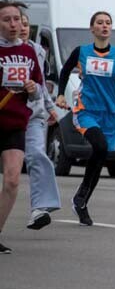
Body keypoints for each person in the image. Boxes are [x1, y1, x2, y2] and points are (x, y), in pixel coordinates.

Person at [55, 10, 115, 226]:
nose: (104, 26)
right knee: (99, 147)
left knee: (100, 157)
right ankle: (81, 196)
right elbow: (64, 72)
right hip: (86, 111)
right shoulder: (81, 52)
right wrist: (61, 94)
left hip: (110, 114)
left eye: (108, 23)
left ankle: (81, 202)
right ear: (92, 28)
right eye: (100, 23)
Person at [0, 0, 44, 253]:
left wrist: (32, 88)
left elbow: (38, 88)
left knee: (13, 180)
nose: (14, 24)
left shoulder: (28, 52)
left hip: (15, 123)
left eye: (16, 19)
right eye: (7, 20)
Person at [19, 12, 61, 230]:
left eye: (26, 24)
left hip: (33, 115)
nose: (22, 27)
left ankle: (40, 208)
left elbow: (41, 83)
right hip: (7, 116)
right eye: (17, 22)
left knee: (36, 155)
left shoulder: (37, 52)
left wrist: (50, 108)